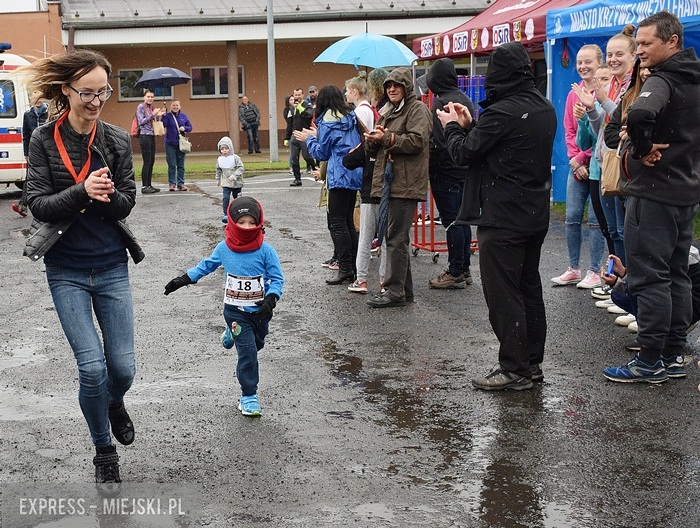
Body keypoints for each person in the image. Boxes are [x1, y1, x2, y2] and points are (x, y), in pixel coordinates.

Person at [21, 48, 144, 487]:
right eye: (87, 92)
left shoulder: (116, 140)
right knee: (91, 367)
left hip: (111, 266)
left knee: (122, 370)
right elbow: (37, 204)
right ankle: (103, 449)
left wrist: (108, 196)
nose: (96, 101)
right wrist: (81, 190)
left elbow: (129, 201)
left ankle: (114, 402)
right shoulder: (42, 138)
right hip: (67, 269)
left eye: (103, 92)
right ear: (66, 90)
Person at [438, 41, 557, 390]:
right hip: (534, 212)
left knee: (504, 294)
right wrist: (472, 122)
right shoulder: (543, 107)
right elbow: (501, 143)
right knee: (528, 288)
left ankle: (514, 368)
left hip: (502, 216)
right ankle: (532, 363)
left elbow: (463, 154)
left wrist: (451, 125)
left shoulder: (502, 112)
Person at [602, 12, 700, 383]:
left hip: (655, 193)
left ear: (672, 41)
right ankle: (673, 356)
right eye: (637, 44)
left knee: (651, 278)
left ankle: (649, 361)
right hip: (685, 192)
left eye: (646, 44)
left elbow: (641, 113)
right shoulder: (693, 77)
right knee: (677, 275)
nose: (639, 50)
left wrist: (640, 148)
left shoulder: (663, 79)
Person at [164, 196, 284, 416]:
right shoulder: (224, 248)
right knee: (248, 353)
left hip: (260, 312)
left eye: (251, 222)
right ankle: (249, 396)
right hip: (234, 311)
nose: (247, 227)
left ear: (259, 223)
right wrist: (183, 279)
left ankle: (231, 334)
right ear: (232, 222)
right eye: (241, 222)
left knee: (257, 344)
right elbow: (206, 266)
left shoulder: (266, 251)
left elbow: (277, 279)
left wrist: (271, 299)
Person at [363, 67, 432, 308]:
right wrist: (371, 140)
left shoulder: (417, 109)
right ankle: (404, 291)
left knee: (395, 238)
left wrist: (386, 138)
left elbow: (418, 141)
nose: (392, 89)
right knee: (396, 238)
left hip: (405, 183)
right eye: (389, 86)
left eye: (397, 85)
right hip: (390, 183)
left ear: (406, 88)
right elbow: (379, 146)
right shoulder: (389, 111)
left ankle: (394, 292)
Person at [294, 84, 363, 285]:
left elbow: (322, 153)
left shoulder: (326, 122)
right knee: (349, 222)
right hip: (353, 172)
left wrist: (309, 139)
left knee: (337, 223)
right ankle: (354, 267)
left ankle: (344, 268)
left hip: (338, 175)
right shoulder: (350, 117)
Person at [550, 44, 606, 289]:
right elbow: (569, 129)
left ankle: (594, 270)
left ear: (599, 63)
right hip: (577, 165)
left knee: (595, 220)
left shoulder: (604, 92)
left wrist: (582, 158)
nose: (583, 66)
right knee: (572, 218)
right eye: (580, 62)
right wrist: (575, 160)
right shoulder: (574, 93)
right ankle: (573, 267)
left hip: (597, 163)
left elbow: (603, 134)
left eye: (588, 62)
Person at [426, 58, 476, 290]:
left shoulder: (441, 103)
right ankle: (464, 268)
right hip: (464, 167)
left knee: (451, 221)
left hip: (445, 168)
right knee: (462, 219)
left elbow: (438, 140)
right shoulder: (464, 99)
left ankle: (455, 270)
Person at [343, 74, 386, 294]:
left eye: (349, 89)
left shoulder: (361, 114)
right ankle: (384, 280)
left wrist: (359, 147)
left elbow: (351, 158)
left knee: (367, 235)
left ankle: (362, 279)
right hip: (385, 186)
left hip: (372, 185)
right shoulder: (376, 113)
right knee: (386, 239)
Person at [12, 90, 49, 217]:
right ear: (31, 100)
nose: (38, 101)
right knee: (30, 177)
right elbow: (26, 135)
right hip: (34, 150)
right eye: (35, 99)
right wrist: (26, 152)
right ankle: (23, 206)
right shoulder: (28, 115)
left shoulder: (48, 112)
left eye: (40, 99)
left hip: (48, 149)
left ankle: (50, 205)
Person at [135, 89, 165, 193]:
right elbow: (141, 122)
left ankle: (149, 185)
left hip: (152, 135)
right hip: (144, 136)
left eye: (152, 97)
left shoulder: (151, 107)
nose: (150, 98)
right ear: (144, 97)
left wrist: (158, 115)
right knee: (147, 161)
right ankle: (144, 186)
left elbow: (152, 121)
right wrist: (152, 114)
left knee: (152, 161)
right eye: (148, 96)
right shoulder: (140, 107)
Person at [285, 87, 316, 186]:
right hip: (295, 136)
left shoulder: (307, 105)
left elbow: (309, 116)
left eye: (299, 95)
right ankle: (297, 179)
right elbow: (290, 124)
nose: (297, 97)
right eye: (295, 95)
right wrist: (287, 137)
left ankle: (315, 170)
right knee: (294, 158)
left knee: (307, 156)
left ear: (302, 95)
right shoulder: (292, 108)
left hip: (304, 135)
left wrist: (301, 109)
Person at [162, 98, 192, 191]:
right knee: (172, 164)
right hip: (170, 143)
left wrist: (184, 128)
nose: (175, 107)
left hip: (181, 144)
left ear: (180, 106)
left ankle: (181, 183)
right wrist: (163, 115)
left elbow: (190, 127)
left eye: (177, 105)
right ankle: (172, 184)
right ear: (171, 106)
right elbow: (163, 124)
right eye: (173, 105)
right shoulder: (167, 116)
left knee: (181, 165)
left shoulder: (184, 116)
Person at [216, 136, 244, 223]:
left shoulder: (236, 158)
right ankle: (226, 214)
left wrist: (234, 175)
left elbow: (241, 168)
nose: (224, 151)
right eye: (222, 149)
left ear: (230, 148)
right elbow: (218, 170)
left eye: (226, 148)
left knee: (237, 198)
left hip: (236, 183)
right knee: (225, 198)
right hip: (226, 183)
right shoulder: (220, 159)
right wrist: (218, 180)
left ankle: (239, 212)